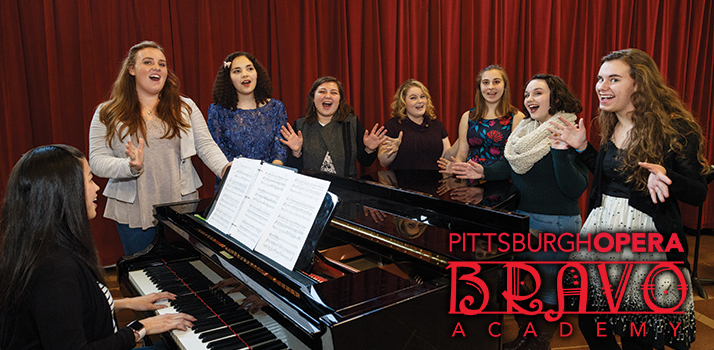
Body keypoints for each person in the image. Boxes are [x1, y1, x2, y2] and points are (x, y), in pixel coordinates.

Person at [549, 48, 709, 350]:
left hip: (646, 241)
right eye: (600, 78)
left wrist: (667, 178)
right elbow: (614, 177)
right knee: (590, 318)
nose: (601, 86)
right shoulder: (612, 122)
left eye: (613, 79)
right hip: (602, 232)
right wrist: (583, 149)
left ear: (639, 83)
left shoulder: (676, 128)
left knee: (639, 333)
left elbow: (698, 192)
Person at [0, 145, 196, 350]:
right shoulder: (55, 268)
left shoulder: (41, 246)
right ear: (64, 192)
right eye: (90, 179)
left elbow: (65, 312)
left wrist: (127, 303)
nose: (97, 188)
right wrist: (140, 328)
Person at [451, 74, 589, 350]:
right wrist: (484, 171)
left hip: (556, 223)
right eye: (527, 94)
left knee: (549, 291)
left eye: (537, 93)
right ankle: (529, 335)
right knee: (511, 285)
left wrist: (561, 152)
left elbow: (576, 187)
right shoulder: (525, 129)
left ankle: (541, 343)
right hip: (523, 219)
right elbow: (512, 164)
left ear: (555, 98)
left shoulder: (567, 128)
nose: (529, 99)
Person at [89, 41, 230, 256]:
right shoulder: (106, 112)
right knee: (145, 272)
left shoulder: (186, 107)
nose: (157, 67)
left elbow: (205, 145)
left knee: (187, 269)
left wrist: (225, 169)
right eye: (148, 62)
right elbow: (97, 160)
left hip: (181, 202)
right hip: (133, 208)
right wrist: (129, 166)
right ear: (131, 69)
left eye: (162, 64)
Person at [207, 51, 287, 191]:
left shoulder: (276, 107)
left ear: (257, 73)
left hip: (268, 183)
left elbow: (280, 147)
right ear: (229, 79)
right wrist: (244, 174)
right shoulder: (217, 110)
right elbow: (217, 148)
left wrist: (270, 173)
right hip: (233, 184)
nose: (245, 74)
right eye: (237, 71)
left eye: (249, 68)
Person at [280, 76, 387, 177]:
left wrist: (369, 149)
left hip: (345, 190)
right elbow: (293, 168)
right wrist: (296, 152)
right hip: (312, 189)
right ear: (313, 97)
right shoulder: (300, 126)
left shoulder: (351, 123)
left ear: (340, 100)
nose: (328, 96)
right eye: (322, 91)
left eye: (334, 93)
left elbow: (365, 162)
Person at [438, 65, 525, 173]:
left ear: (505, 86)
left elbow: (517, 159)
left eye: (496, 82)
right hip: (471, 180)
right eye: (485, 82)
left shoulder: (517, 117)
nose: (491, 87)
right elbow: (461, 155)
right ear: (479, 87)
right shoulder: (468, 117)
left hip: (502, 180)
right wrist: (457, 167)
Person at [378, 79, 450, 170]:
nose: (420, 101)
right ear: (403, 102)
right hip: (401, 183)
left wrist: (462, 139)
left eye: (422, 96)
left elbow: (446, 158)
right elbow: (383, 162)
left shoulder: (437, 125)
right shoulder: (392, 126)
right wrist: (392, 151)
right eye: (413, 98)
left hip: (434, 183)